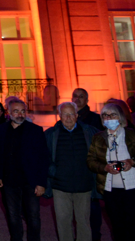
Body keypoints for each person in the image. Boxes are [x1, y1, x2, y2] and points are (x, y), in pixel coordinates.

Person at [45, 101, 97, 241]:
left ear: (77, 115)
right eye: (65, 114)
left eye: (71, 114)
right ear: (59, 116)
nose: (68, 118)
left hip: (84, 185)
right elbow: (45, 158)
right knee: (63, 222)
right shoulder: (50, 134)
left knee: (84, 222)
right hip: (60, 186)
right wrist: (53, 173)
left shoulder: (90, 132)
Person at [0, 100, 48, 241]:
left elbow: (43, 158)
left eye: (22, 111)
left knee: (33, 216)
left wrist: (41, 183)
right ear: (8, 113)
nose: (20, 114)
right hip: (9, 181)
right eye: (16, 111)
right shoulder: (1, 130)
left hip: (30, 181)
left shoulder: (35, 130)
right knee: (13, 215)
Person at [86, 102, 135, 241]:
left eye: (113, 115)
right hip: (110, 189)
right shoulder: (98, 137)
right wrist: (104, 168)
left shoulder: (131, 135)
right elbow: (90, 161)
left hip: (131, 188)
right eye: (105, 115)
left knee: (131, 224)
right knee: (117, 225)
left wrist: (131, 162)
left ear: (120, 117)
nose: (109, 118)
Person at [72, 88, 104, 241]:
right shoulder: (68, 117)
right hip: (74, 168)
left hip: (91, 168)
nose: (77, 99)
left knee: (92, 204)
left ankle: (95, 235)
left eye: (81, 96)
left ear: (87, 99)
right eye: (75, 96)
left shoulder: (95, 119)